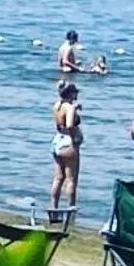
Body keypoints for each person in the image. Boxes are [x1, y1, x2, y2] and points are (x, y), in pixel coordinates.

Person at [50, 80, 83, 213]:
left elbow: (61, 122)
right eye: (75, 92)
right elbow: (69, 125)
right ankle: (71, 209)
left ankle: (53, 207)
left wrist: (75, 108)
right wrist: (74, 138)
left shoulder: (57, 105)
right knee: (71, 179)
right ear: (71, 93)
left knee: (58, 178)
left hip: (57, 140)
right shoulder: (69, 108)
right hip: (68, 143)